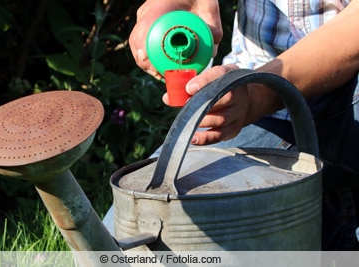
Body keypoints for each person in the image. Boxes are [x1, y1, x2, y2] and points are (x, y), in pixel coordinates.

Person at [127, 0, 359, 250]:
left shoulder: (256, 94)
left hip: (337, 93)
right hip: (260, 92)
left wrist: (258, 93)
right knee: (126, 240)